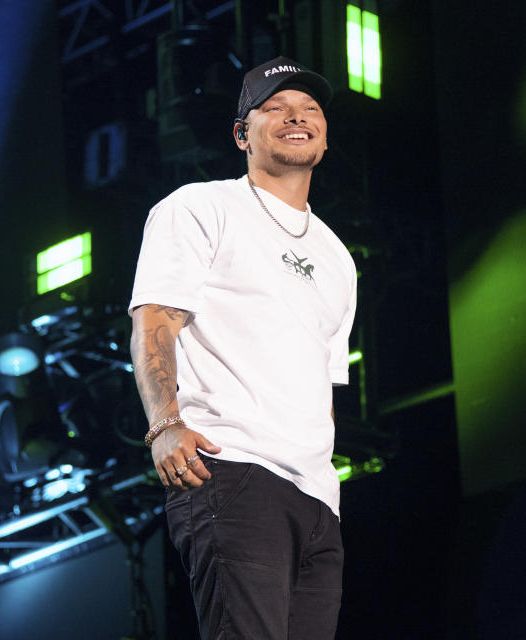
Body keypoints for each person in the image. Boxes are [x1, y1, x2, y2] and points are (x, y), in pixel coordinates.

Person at [128, 55, 357, 639]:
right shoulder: (200, 206)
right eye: (274, 108)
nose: (295, 117)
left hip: (316, 500)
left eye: (309, 109)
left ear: (325, 138)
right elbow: (156, 317)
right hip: (231, 470)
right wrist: (164, 424)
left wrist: (325, 481)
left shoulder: (338, 257)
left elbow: (324, 382)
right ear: (242, 134)